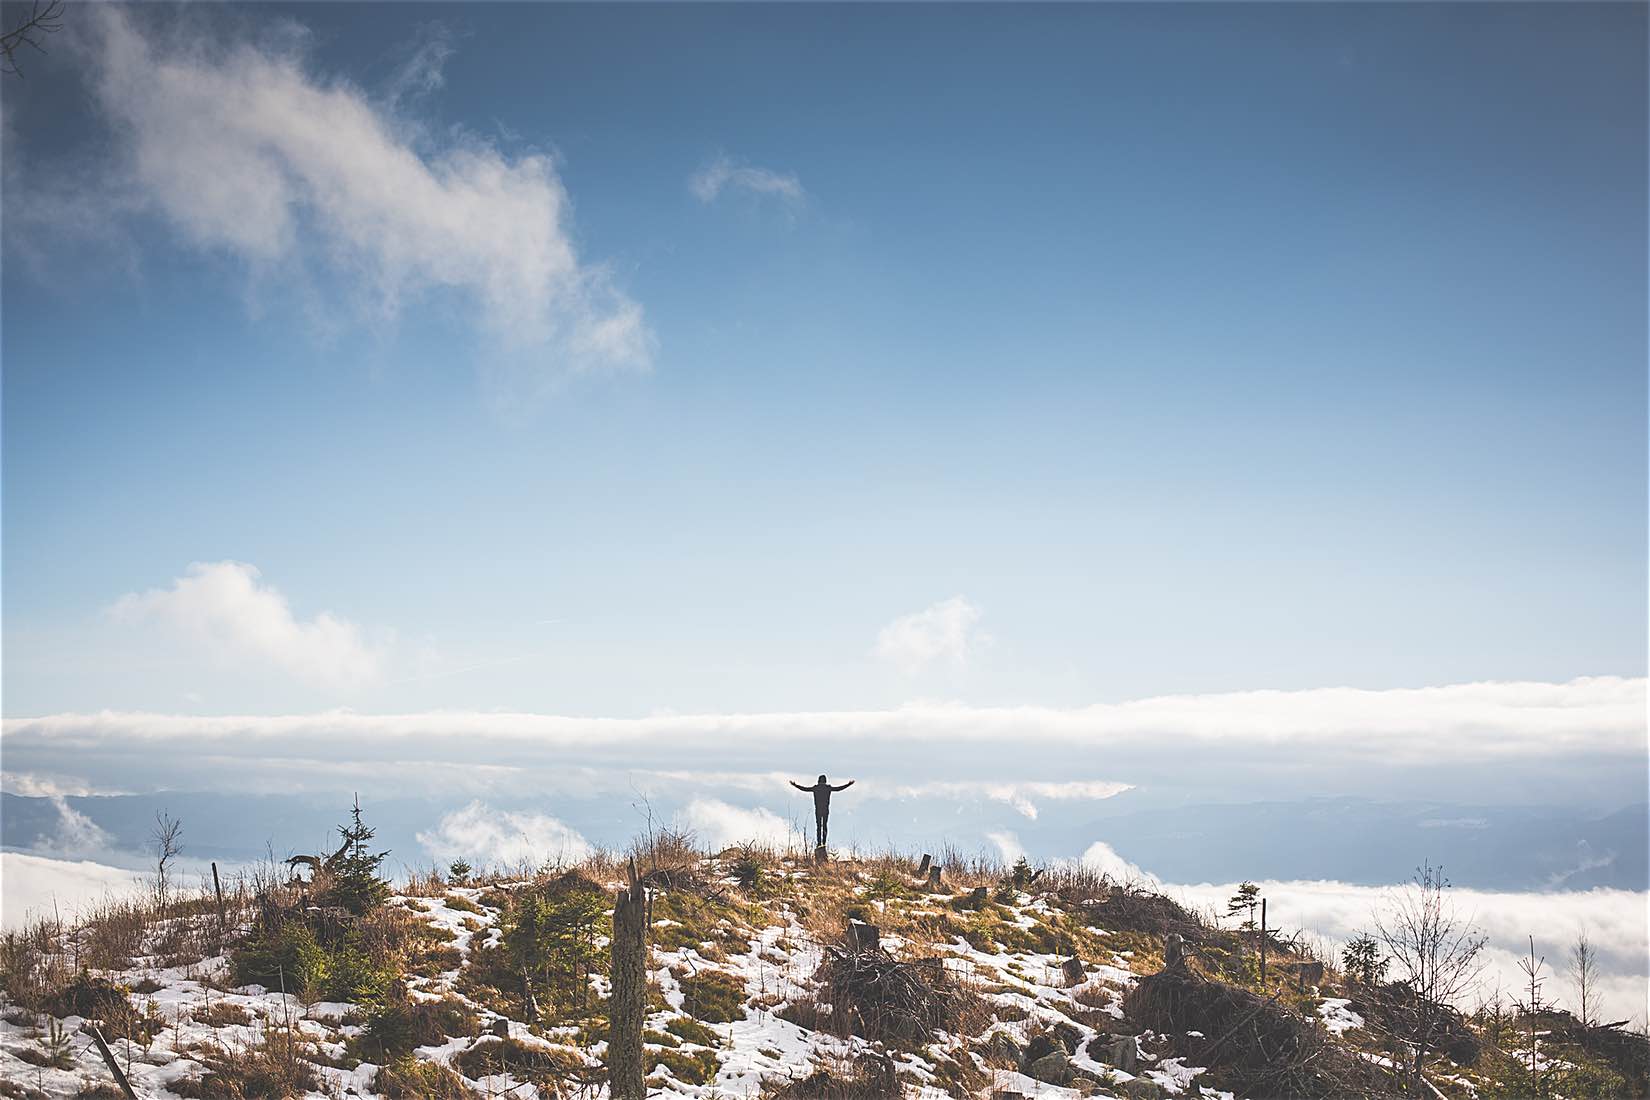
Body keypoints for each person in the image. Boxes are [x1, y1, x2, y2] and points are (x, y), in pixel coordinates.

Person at [790, 774, 854, 849]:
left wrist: (795, 785)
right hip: (825, 810)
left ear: (818, 781)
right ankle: (823, 843)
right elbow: (839, 789)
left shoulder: (816, 788)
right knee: (824, 826)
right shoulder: (828, 788)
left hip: (818, 810)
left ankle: (819, 843)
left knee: (819, 827)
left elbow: (804, 789)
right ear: (825, 781)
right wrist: (848, 784)